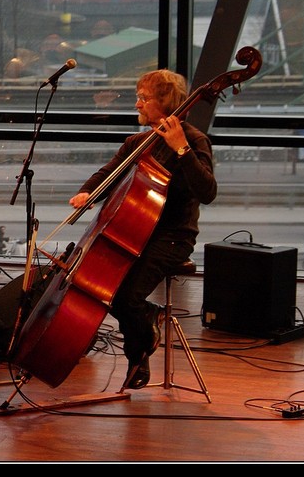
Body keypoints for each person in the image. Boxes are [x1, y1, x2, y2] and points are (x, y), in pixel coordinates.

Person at [69, 69, 216, 389]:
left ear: (166, 102)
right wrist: (87, 192)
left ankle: (140, 348)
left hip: (174, 236)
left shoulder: (192, 140)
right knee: (109, 290)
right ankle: (144, 337)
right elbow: (107, 173)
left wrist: (181, 148)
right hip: (134, 232)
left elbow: (208, 192)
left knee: (125, 297)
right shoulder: (137, 142)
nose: (137, 104)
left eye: (144, 98)